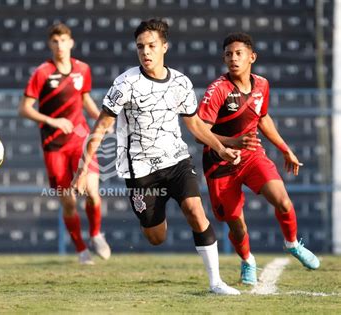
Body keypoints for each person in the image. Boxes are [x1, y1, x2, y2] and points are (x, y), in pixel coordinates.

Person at [72, 19, 241, 295]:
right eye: (140, 47)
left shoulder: (181, 83)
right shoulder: (125, 84)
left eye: (151, 46)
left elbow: (195, 124)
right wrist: (82, 170)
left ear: (164, 46)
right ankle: (154, 214)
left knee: (195, 212)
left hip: (176, 161)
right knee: (156, 237)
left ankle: (216, 282)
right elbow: (101, 127)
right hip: (139, 171)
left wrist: (220, 148)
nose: (146, 52)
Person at [197, 32, 320, 285]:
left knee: (283, 201)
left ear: (252, 57)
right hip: (220, 165)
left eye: (239, 53)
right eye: (229, 54)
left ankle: (292, 243)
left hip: (252, 157)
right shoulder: (218, 90)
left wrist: (285, 148)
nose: (233, 58)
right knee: (237, 225)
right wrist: (230, 143)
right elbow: (201, 133)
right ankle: (247, 261)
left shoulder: (262, 85)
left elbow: (262, 118)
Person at [18, 22, 111, 265]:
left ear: (71, 43)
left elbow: (85, 99)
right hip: (53, 145)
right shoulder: (42, 73)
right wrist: (52, 120)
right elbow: (25, 109)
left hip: (80, 140)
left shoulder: (83, 69)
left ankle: (95, 234)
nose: (60, 45)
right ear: (50, 44)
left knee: (92, 192)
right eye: (55, 41)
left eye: (63, 40)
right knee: (68, 201)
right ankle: (81, 250)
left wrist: (101, 118)